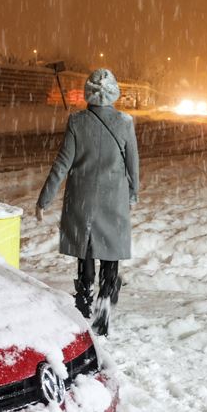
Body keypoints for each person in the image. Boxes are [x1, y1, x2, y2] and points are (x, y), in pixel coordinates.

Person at [35, 68, 140, 336]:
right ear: (114, 92)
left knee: (87, 248)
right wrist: (133, 193)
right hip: (113, 197)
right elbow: (132, 165)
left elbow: (62, 164)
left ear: (88, 93)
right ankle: (105, 303)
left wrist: (45, 198)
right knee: (111, 252)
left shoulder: (77, 122)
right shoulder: (125, 122)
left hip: (82, 197)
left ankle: (83, 300)